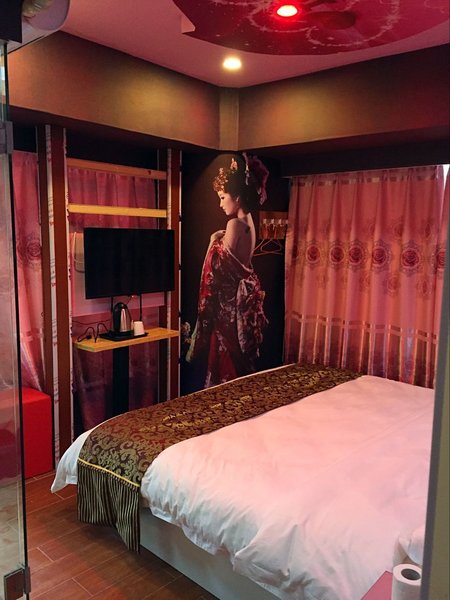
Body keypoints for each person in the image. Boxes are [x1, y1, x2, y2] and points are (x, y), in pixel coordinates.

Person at [186, 153, 269, 388]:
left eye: (223, 197)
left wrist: (212, 242)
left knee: (225, 365)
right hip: (242, 307)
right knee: (240, 364)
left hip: (229, 309)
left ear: (238, 197)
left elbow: (217, 271)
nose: (220, 203)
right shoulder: (249, 222)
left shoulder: (234, 224)